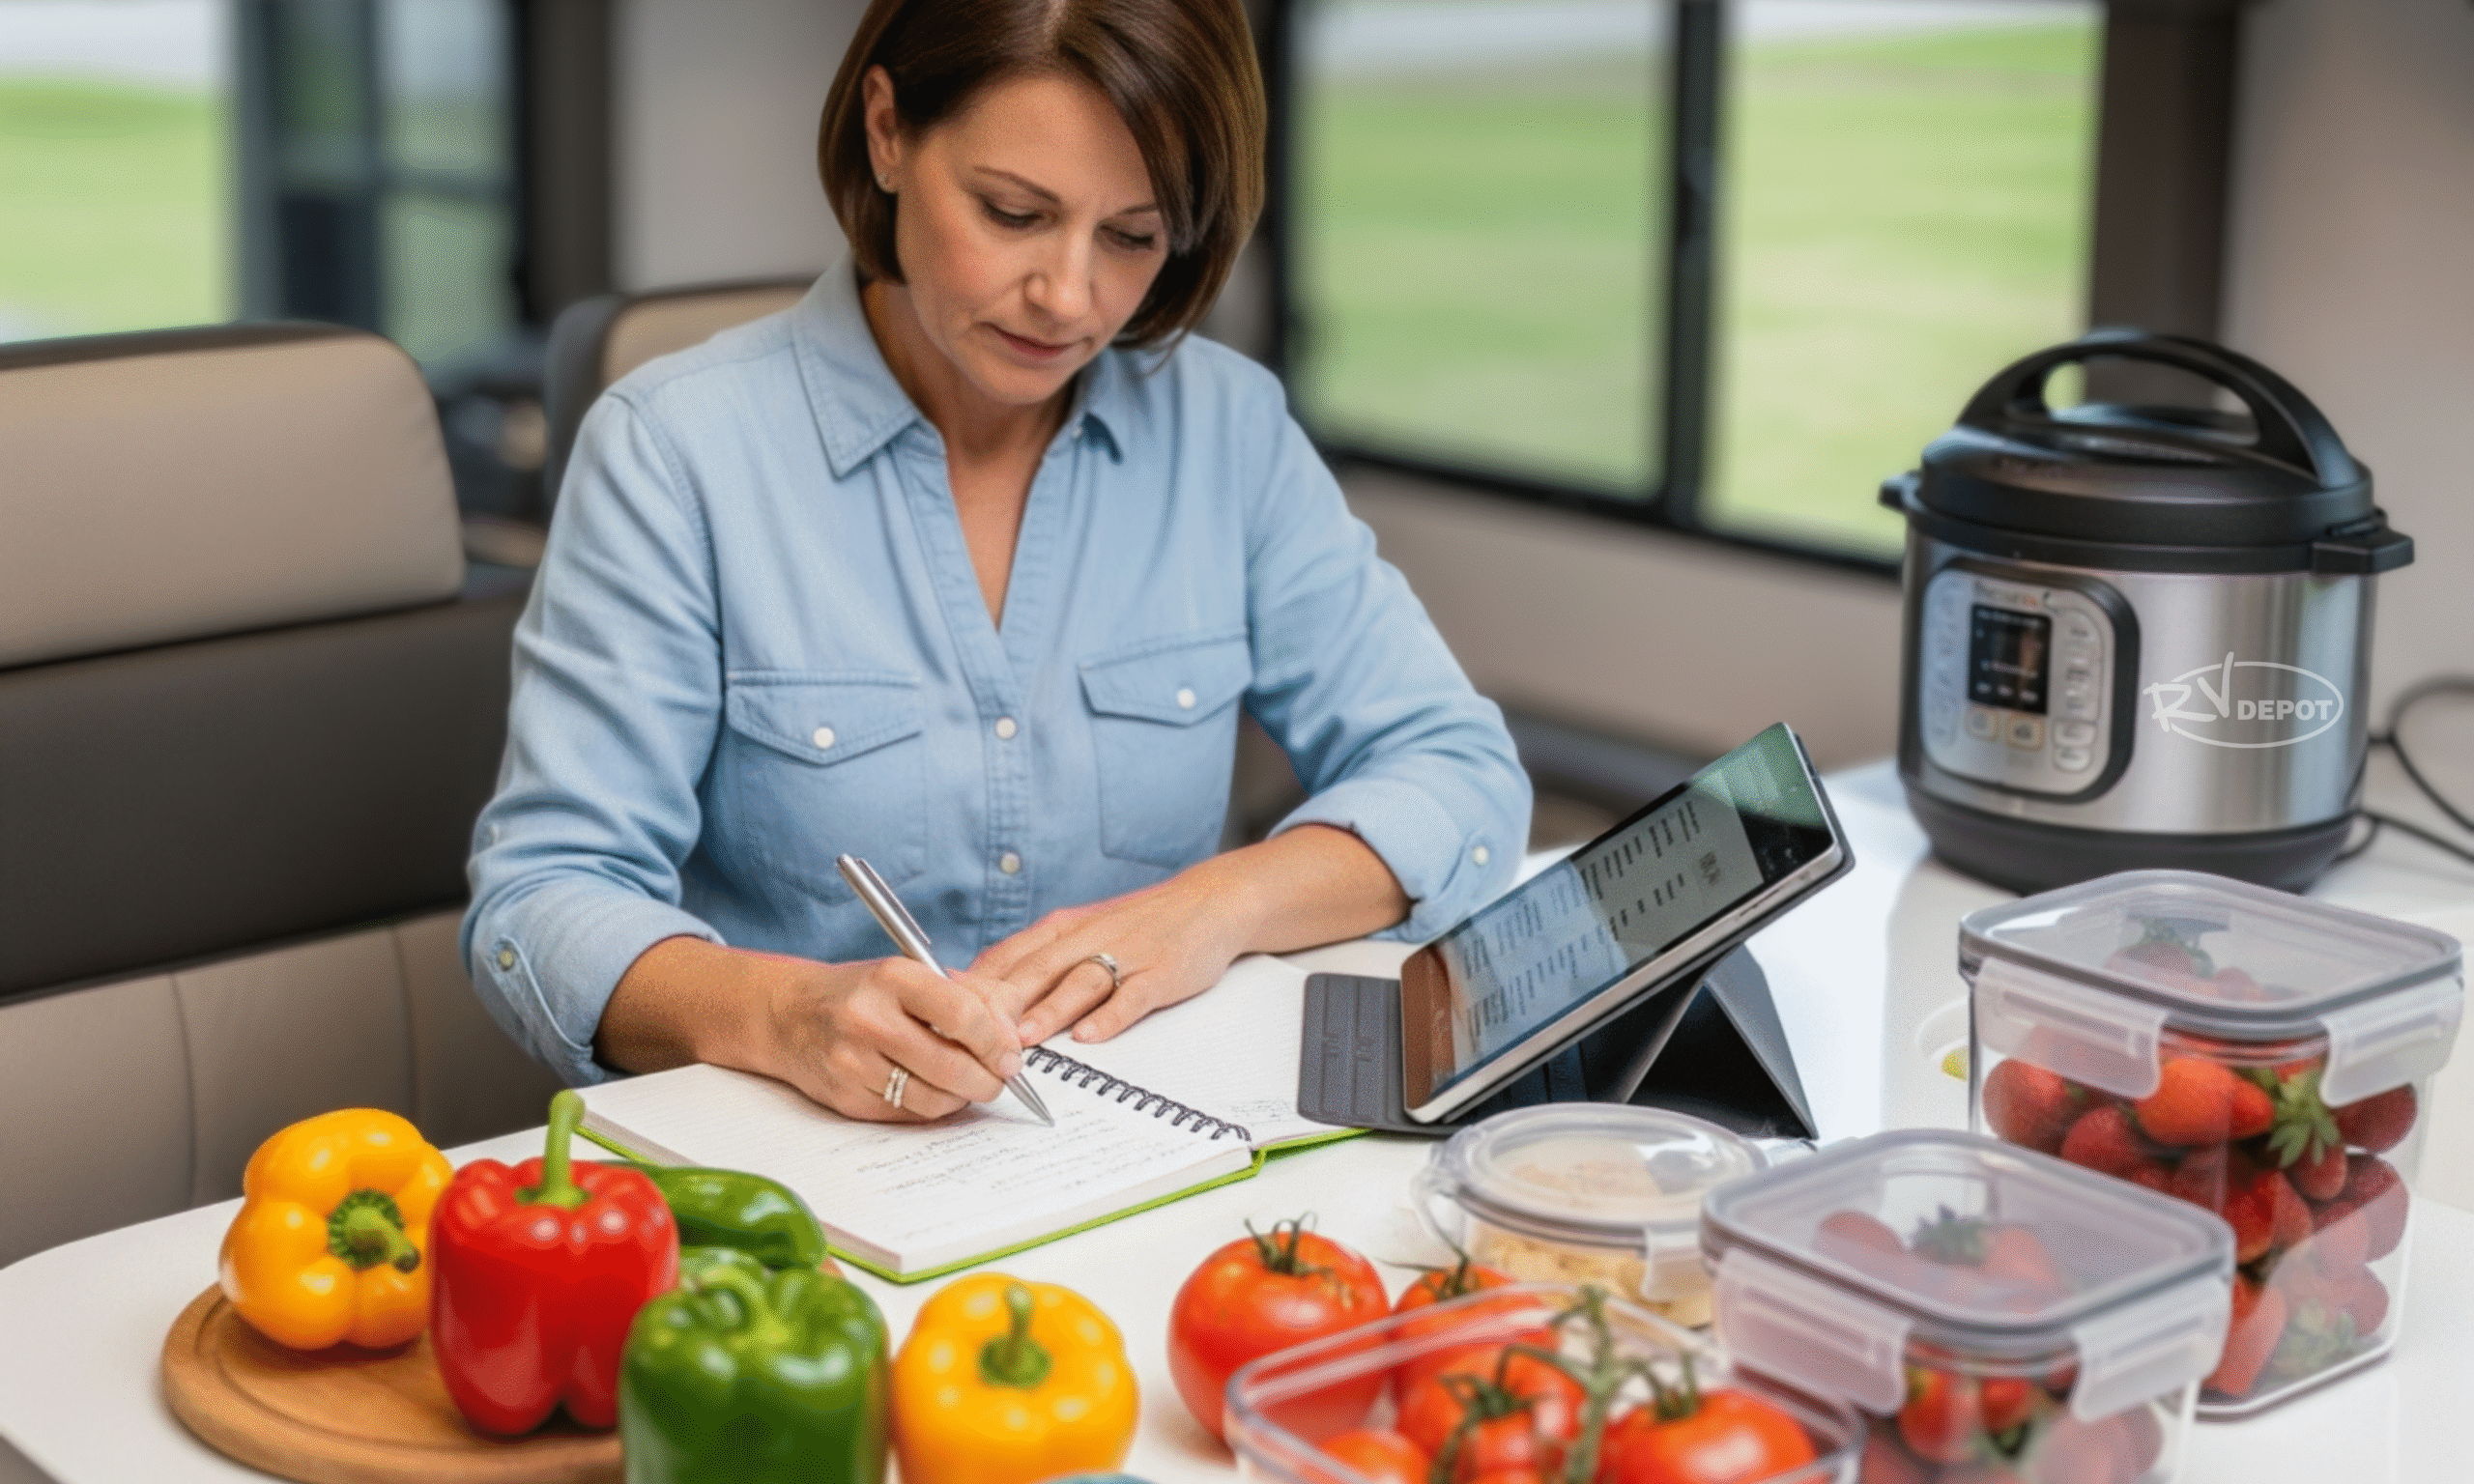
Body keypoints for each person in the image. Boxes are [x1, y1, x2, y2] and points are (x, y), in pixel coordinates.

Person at [462, 0, 1528, 1124]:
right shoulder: (676, 450)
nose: (1069, 298)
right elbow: (543, 901)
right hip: (800, 1161)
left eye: (1133, 235)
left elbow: (1456, 772)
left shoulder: (1227, 432)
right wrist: (784, 1014)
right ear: (886, 132)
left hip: (1139, 1144)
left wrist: (1215, 906)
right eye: (1014, 213)